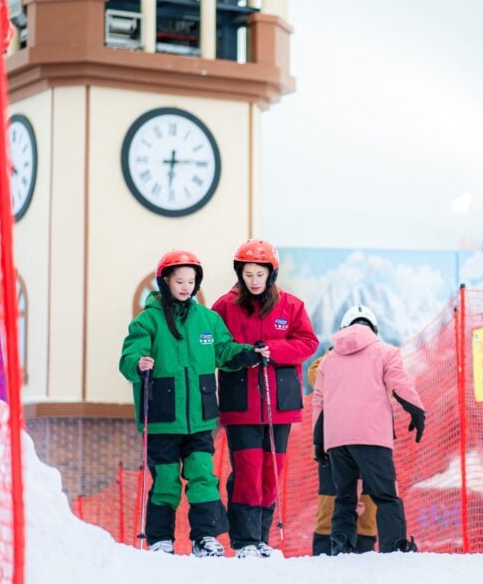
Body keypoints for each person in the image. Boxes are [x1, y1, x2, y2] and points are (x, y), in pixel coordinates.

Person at [119, 250, 262, 557]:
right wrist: (138, 363)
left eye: (191, 281)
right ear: (165, 281)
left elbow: (224, 351)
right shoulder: (148, 321)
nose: (185, 286)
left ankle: (206, 537)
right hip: (162, 417)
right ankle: (160, 539)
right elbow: (128, 357)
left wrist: (247, 354)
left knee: (202, 476)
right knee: (166, 481)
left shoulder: (208, 320)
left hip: (199, 416)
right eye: (179, 280)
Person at [212, 239, 319, 558]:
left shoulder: (291, 305)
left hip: (280, 405)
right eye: (248, 274)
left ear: (271, 274)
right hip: (241, 404)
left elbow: (307, 342)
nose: (254, 280)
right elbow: (215, 349)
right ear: (239, 274)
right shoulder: (224, 307)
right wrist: (243, 356)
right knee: (247, 470)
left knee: (272, 471)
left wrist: (275, 350)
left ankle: (261, 538)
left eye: (260, 273)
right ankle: (245, 540)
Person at [312, 304, 426, 554]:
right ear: (374, 329)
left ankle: (340, 545)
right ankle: (394, 546)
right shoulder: (386, 352)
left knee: (345, 497)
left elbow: (319, 401)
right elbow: (400, 384)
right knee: (385, 495)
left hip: (337, 439)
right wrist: (417, 411)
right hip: (371, 435)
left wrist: (318, 441)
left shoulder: (329, 360)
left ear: (344, 328)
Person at [306, 307, 381, 555]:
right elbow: (316, 378)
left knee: (369, 502)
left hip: (369, 437)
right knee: (331, 498)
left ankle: (363, 551)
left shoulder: (382, 358)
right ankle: (325, 553)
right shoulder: (328, 360)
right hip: (335, 440)